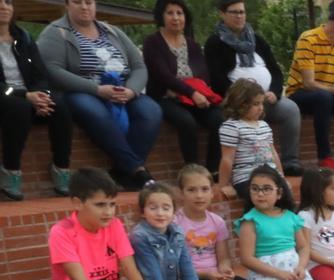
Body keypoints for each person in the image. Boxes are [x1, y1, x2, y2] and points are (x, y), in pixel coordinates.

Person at [38, 0, 162, 191]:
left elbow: (139, 66)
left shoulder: (112, 31)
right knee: (94, 112)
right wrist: (97, 89)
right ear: (67, 5)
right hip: (83, 91)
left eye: (89, 2)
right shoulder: (55, 32)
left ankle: (122, 172)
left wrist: (131, 90)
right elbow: (52, 70)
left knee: (151, 111)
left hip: (123, 90)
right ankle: (137, 170)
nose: (84, 7)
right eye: (77, 2)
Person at [204, 0, 302, 176]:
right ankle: (224, 169)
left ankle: (290, 162)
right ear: (222, 14)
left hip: (265, 100)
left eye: (242, 12)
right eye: (234, 12)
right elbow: (216, 78)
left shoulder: (257, 40)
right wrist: (244, 97)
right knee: (220, 120)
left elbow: (276, 71)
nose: (239, 16)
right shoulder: (215, 42)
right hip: (236, 103)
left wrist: (275, 91)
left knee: (291, 109)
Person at [0, 0, 72, 200]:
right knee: (20, 108)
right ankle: (10, 171)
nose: (3, 7)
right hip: (6, 99)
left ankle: (61, 168)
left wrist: (41, 95)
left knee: (60, 105)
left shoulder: (24, 38)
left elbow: (40, 73)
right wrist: (25, 96)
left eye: (7, 2)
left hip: (28, 96)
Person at [143, 0, 223, 173]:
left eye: (180, 13)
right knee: (186, 122)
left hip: (193, 96)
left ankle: (214, 170)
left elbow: (203, 73)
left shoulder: (192, 44)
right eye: (170, 13)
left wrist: (196, 92)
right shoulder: (152, 42)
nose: (176, 18)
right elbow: (162, 75)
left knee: (220, 119)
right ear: (161, 16)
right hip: (166, 96)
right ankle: (192, 170)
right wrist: (189, 91)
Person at [285, 0, 334, 172]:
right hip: (299, 94)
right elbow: (309, 83)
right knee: (323, 97)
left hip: (324, 96)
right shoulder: (308, 38)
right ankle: (324, 157)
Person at [217, 79, 284, 205]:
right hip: (247, 178)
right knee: (262, 199)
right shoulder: (231, 126)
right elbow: (227, 158)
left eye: (262, 103)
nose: (261, 108)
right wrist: (223, 185)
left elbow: (273, 153)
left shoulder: (264, 125)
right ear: (240, 104)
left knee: (285, 202)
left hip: (271, 175)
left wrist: (282, 177)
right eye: (256, 104)